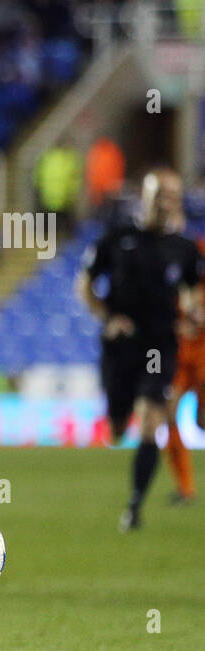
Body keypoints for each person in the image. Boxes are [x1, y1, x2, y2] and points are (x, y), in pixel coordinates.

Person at [75, 168, 204, 531]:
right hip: (120, 346)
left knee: (151, 420)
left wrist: (193, 310)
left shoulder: (184, 249)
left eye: (175, 197)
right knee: (117, 425)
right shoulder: (116, 238)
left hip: (160, 345)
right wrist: (107, 316)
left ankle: (134, 506)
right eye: (161, 195)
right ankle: (117, 416)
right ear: (145, 197)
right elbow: (84, 284)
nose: (168, 204)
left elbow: (192, 288)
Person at [165, 237, 205, 503]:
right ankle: (185, 487)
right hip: (180, 356)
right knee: (169, 414)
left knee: (201, 422)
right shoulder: (180, 256)